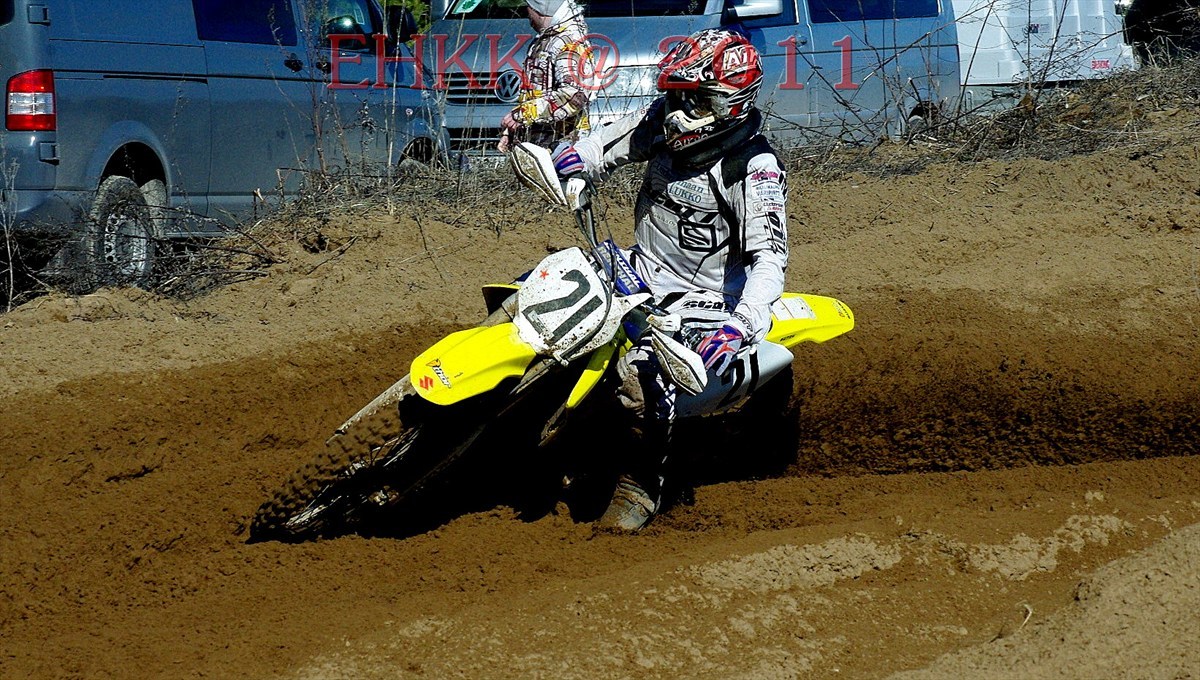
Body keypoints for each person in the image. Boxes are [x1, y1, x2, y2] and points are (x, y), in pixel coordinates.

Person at [551, 28, 789, 531]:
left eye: (695, 100)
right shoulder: (663, 121)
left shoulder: (753, 167)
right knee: (540, 286)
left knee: (642, 374)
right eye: (676, 96)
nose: (679, 112)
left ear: (729, 103)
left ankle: (640, 485)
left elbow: (769, 260)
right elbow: (605, 143)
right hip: (637, 267)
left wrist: (741, 324)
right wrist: (577, 160)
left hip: (706, 299)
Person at [496, 0, 595, 153]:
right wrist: (516, 129)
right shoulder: (546, 40)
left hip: (565, 151)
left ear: (540, 9)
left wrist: (523, 114)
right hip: (544, 146)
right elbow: (537, 94)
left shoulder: (568, 43)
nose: (526, 13)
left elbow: (574, 96)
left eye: (528, 7)